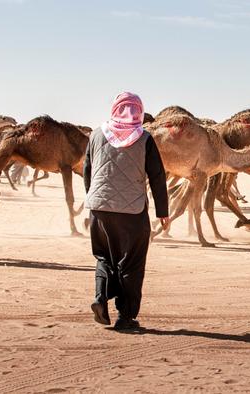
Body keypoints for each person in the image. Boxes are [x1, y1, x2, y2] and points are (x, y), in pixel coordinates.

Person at [84, 92, 169, 330]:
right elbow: (157, 176)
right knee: (131, 263)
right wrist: (163, 210)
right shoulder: (144, 138)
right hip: (132, 211)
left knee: (104, 257)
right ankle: (125, 317)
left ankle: (100, 298)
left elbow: (88, 170)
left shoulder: (96, 134)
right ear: (139, 112)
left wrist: (93, 199)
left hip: (99, 209)